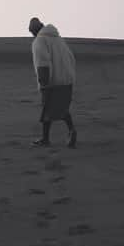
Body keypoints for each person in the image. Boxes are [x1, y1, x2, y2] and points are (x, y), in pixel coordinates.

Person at [29, 16, 77, 148]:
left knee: (47, 109)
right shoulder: (59, 39)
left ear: (34, 30)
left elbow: (42, 61)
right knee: (62, 108)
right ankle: (71, 130)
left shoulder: (39, 41)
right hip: (66, 80)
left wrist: (43, 81)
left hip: (52, 81)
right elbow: (71, 58)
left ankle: (45, 139)